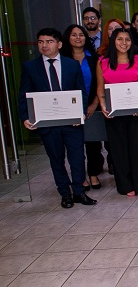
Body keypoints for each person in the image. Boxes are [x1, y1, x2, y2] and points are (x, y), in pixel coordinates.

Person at [19, 28, 96, 209]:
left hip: (72, 121)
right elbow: (24, 94)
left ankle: (79, 191)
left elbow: (81, 93)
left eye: (49, 41)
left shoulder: (71, 65)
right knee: (56, 158)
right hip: (48, 123)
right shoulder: (30, 67)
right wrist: (25, 117)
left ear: (59, 44)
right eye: (41, 42)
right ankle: (65, 193)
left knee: (77, 157)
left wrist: (81, 113)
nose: (45, 45)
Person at [96, 27, 138, 197]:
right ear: (113, 41)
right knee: (119, 150)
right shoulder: (102, 63)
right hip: (114, 115)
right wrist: (103, 105)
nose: (124, 43)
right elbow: (100, 89)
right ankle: (125, 185)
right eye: (120, 39)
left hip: (137, 115)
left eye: (127, 39)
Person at [62, 24, 102, 190]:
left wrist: (94, 103)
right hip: (70, 107)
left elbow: (100, 83)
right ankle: (80, 177)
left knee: (93, 143)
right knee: (75, 145)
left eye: (81, 35)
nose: (78, 38)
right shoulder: (63, 59)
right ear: (67, 38)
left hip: (93, 105)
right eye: (74, 35)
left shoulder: (93, 58)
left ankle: (93, 174)